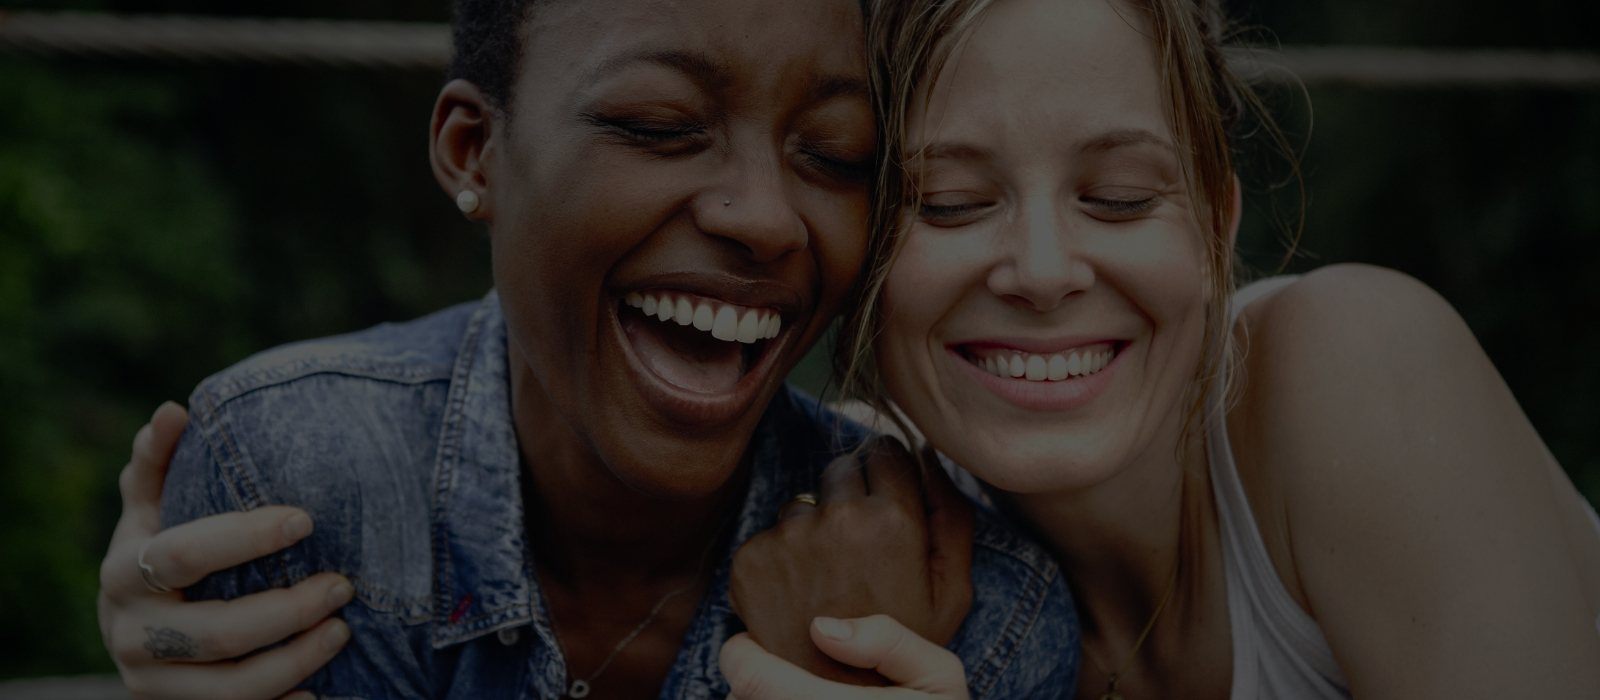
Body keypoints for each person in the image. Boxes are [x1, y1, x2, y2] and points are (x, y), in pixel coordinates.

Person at [93, 0, 1081, 698]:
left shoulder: (976, 612)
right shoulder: (298, 486)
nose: (766, 218)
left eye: (833, 155)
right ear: (473, 151)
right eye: (658, 127)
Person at [718, 0, 1600, 697]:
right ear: (860, 251)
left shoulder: (1361, 368)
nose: (1043, 269)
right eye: (950, 202)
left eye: (1119, 197)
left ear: (1217, 228)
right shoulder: (867, 522)